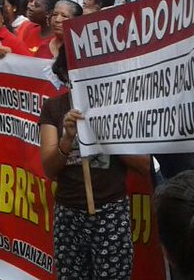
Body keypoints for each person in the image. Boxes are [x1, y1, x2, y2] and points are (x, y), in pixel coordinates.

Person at [40, 43, 150, 280]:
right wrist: (67, 139)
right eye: (74, 71)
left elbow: (144, 164)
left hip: (110, 211)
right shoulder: (53, 108)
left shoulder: (118, 106)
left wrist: (106, 133)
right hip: (68, 213)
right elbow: (49, 168)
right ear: (64, 74)